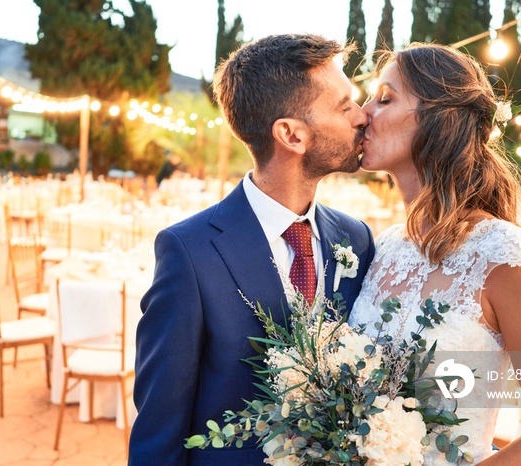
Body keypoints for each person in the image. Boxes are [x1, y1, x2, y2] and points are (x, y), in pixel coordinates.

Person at [128, 34, 376, 466]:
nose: (362, 116)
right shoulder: (189, 252)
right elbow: (158, 432)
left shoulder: (356, 238)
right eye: (344, 105)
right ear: (291, 135)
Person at [348, 43, 521, 465]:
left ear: (439, 120)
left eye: (384, 98)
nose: (363, 112)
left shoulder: (509, 258)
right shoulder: (383, 246)